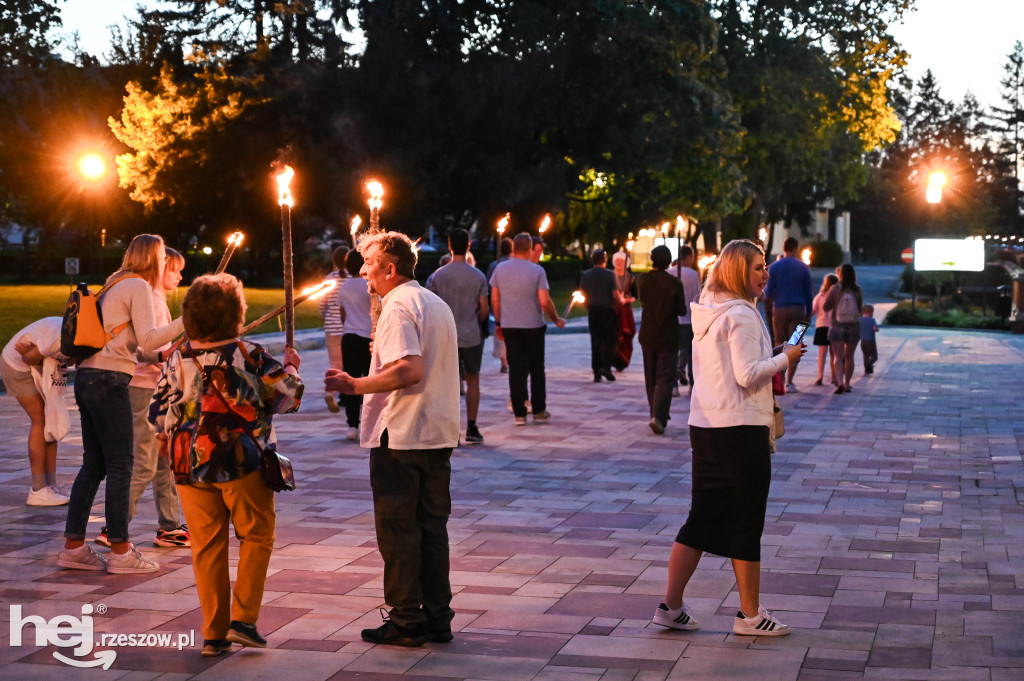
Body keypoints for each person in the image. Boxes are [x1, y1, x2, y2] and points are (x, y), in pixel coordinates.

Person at [652, 239, 803, 637]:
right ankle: (750, 615)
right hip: (739, 431)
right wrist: (785, 358)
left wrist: (774, 355)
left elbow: (730, 368)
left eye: (765, 266)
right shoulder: (741, 314)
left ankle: (671, 605)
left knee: (702, 517)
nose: (765, 273)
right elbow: (747, 374)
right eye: (757, 267)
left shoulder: (710, 312)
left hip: (706, 426)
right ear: (738, 271)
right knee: (746, 518)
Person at [149, 273, 303, 656]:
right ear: (236, 312)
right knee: (256, 535)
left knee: (206, 546)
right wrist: (293, 368)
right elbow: (288, 397)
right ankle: (243, 621)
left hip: (187, 463)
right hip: (240, 460)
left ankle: (214, 634)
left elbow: (157, 413)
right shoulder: (248, 354)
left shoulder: (177, 358)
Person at [325, 231, 460, 647]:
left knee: (399, 531)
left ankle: (405, 620)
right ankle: (437, 616)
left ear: (390, 267)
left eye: (368, 262)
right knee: (432, 529)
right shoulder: (432, 301)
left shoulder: (399, 306)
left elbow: (409, 369)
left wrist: (357, 384)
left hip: (401, 434)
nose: (363, 271)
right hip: (437, 432)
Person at [58, 234, 185, 575]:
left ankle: (73, 548)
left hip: (87, 377)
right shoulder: (139, 287)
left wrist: (162, 352)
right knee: (121, 465)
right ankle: (120, 551)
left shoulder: (114, 283)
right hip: (110, 381)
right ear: (154, 259)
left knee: (94, 464)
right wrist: (189, 320)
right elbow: (147, 339)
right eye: (162, 257)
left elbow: (142, 347)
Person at [120, 246, 190, 549]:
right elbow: (143, 347)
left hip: (155, 386)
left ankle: (170, 525)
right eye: (173, 268)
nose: (179, 275)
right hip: (144, 387)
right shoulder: (150, 300)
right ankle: (116, 525)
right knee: (146, 460)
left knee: (164, 457)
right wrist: (169, 355)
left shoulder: (156, 300)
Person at [489, 232, 566, 425]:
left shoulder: (500, 269)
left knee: (516, 369)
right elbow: (544, 300)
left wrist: (499, 322)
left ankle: (519, 413)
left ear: (514, 248)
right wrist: (555, 319)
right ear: (530, 249)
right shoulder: (537, 271)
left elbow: (495, 299)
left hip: (510, 325)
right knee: (537, 368)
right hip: (533, 325)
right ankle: (539, 410)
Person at [428, 227, 490, 443]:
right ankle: (472, 427)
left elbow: (431, 307)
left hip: (446, 336)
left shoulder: (438, 276)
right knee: (473, 380)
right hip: (471, 335)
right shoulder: (478, 276)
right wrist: (474, 320)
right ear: (469, 245)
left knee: (449, 383)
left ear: (449, 245)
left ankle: (450, 428)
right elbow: (484, 309)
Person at [1, 317, 70, 506]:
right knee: (40, 420)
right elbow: (28, 357)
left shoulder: (74, 331)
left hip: (33, 367)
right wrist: (37, 353)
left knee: (51, 421)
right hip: (17, 366)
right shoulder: (60, 337)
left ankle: (51, 486)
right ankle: (38, 490)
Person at [638, 245, 687, 434]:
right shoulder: (674, 283)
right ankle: (658, 416)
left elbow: (642, 299)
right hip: (668, 334)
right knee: (665, 376)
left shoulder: (642, 280)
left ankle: (654, 413)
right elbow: (681, 310)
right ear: (668, 261)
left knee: (650, 376)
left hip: (648, 333)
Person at [763, 237, 813, 392]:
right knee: (795, 344)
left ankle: (780, 378)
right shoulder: (804, 267)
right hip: (798, 309)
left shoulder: (774, 267)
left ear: (784, 248)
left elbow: (768, 292)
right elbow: (809, 293)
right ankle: (790, 381)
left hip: (779, 310)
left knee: (780, 343)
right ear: (796, 248)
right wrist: (809, 313)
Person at [336, 249, 372, 441]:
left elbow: (343, 315)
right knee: (370, 380)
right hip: (369, 337)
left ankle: (352, 425)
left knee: (350, 381)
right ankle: (370, 422)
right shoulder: (369, 285)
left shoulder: (344, 287)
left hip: (349, 336)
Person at [579, 248, 621, 383]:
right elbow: (615, 294)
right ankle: (606, 367)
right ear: (605, 260)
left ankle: (596, 372)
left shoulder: (586, 275)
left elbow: (582, 294)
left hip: (593, 311)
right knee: (611, 340)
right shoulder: (610, 274)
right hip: (608, 310)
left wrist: (588, 306)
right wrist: (621, 301)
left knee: (595, 341)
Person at [824, 263, 863, 394]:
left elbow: (826, 306)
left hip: (837, 326)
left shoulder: (835, 288)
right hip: (853, 326)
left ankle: (839, 382)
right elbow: (860, 308)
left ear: (840, 274)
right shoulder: (857, 289)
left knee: (837, 356)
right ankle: (847, 384)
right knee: (849, 356)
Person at [320, 244, 349, 413]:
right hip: (350, 326)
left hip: (331, 325)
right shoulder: (354, 279)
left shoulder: (329, 278)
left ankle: (330, 391)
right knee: (349, 363)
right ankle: (347, 394)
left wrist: (327, 316)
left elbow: (322, 304)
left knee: (335, 363)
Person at [673, 245, 702, 390]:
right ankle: (692, 385)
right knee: (691, 353)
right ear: (689, 257)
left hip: (673, 320)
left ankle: (673, 386)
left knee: (673, 352)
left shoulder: (669, 272)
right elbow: (698, 297)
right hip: (689, 319)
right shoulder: (693, 275)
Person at [487, 237, 513, 374]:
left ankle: (504, 361)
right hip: (512, 303)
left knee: (500, 333)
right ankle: (508, 360)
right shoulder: (515, 264)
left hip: (499, 303)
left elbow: (489, 286)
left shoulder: (494, 265)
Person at [810, 273, 839, 386]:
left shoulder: (820, 296)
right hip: (834, 327)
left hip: (821, 326)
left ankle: (820, 376)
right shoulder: (837, 296)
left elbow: (812, 311)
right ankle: (834, 377)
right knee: (834, 354)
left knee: (822, 353)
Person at [611, 251, 637, 371]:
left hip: (625, 310)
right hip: (613, 310)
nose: (619, 263)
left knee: (626, 334)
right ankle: (611, 359)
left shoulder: (630, 278)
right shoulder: (609, 276)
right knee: (613, 335)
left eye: (621, 261)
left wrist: (627, 300)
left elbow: (635, 295)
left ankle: (622, 361)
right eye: (617, 261)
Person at [859, 304, 879, 375]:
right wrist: (876, 329)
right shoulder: (872, 320)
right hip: (870, 341)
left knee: (865, 355)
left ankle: (866, 370)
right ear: (871, 312)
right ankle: (868, 365)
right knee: (874, 356)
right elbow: (875, 328)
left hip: (863, 341)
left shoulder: (860, 320)